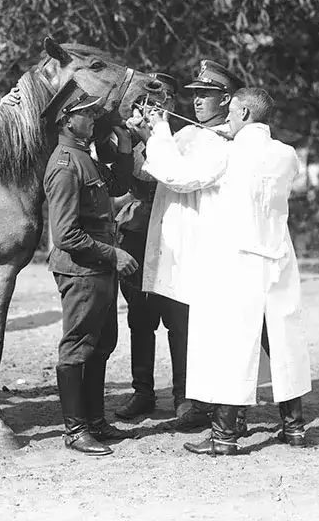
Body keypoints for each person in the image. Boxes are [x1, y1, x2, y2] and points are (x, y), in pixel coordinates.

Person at [138, 87, 312, 456]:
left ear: (245, 114)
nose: (227, 120)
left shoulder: (226, 153)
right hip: (277, 260)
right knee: (281, 343)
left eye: (231, 113)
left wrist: (159, 130)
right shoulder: (287, 155)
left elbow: (177, 175)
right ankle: (294, 428)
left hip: (236, 263)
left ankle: (224, 437)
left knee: (228, 347)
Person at [135, 60, 246, 430]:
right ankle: (192, 400)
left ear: (226, 99)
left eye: (206, 94)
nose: (197, 100)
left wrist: (159, 131)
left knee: (209, 332)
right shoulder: (187, 134)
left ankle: (220, 408)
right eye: (195, 94)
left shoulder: (224, 141)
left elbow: (180, 176)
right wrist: (142, 132)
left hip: (205, 251)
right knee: (184, 328)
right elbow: (148, 169)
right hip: (177, 250)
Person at [43, 81, 138, 456]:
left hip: (97, 267)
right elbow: (65, 234)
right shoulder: (65, 165)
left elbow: (118, 184)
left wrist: (125, 146)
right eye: (87, 113)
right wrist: (113, 255)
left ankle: (95, 421)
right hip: (82, 268)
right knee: (78, 347)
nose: (94, 118)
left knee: (101, 344)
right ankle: (75, 429)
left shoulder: (84, 157)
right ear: (67, 120)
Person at [113, 72, 196, 422]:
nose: (151, 107)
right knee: (140, 319)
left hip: (174, 239)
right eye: (146, 101)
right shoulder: (128, 141)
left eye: (160, 100)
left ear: (171, 104)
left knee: (179, 320)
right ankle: (143, 393)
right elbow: (122, 181)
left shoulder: (185, 141)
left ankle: (184, 395)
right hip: (138, 236)